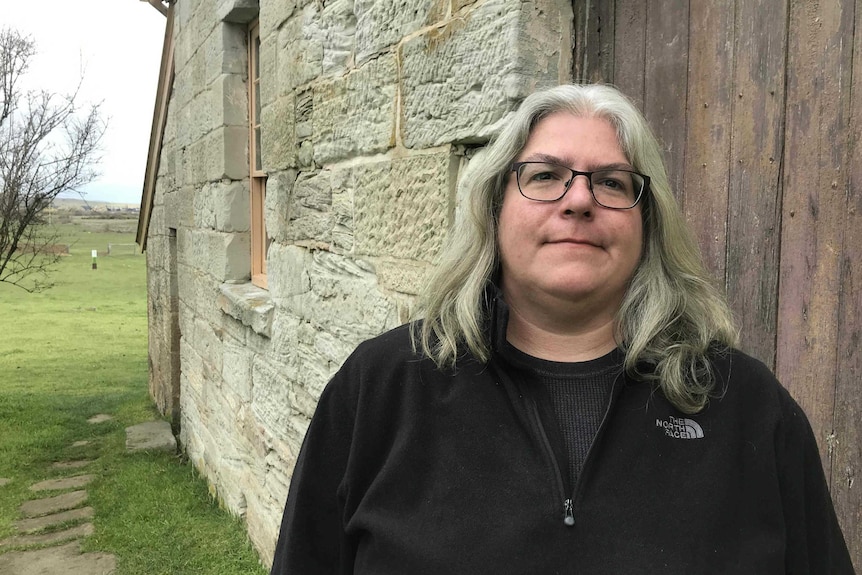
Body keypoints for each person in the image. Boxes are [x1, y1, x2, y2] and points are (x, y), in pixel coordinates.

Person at [270, 84, 854, 574]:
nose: (578, 200)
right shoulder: (380, 389)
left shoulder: (748, 407)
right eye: (545, 175)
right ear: (493, 209)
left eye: (612, 183)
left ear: (648, 226)